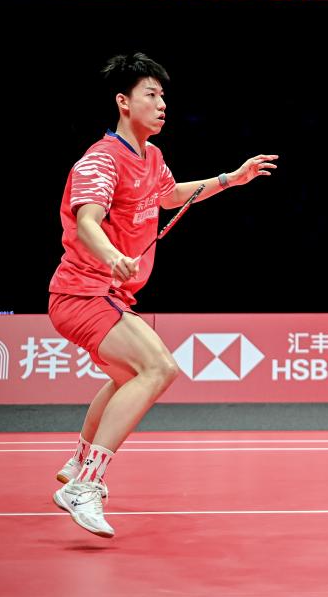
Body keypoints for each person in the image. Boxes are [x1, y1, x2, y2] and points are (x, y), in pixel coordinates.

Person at [48, 53, 277, 538]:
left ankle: (77, 462)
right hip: (83, 292)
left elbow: (170, 196)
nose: (162, 104)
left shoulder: (151, 157)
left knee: (126, 377)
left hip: (109, 295)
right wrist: (112, 255)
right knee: (159, 368)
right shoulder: (100, 159)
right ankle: (86, 485)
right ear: (123, 101)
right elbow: (87, 220)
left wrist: (229, 180)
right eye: (151, 95)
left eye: (163, 96)